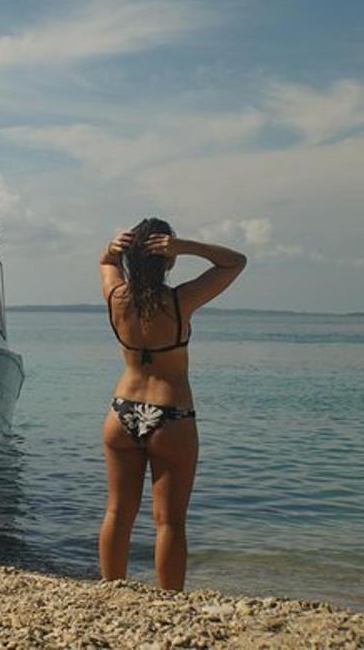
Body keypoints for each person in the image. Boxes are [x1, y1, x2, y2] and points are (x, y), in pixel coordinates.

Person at [98, 217, 246, 590]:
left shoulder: (117, 298)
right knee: (170, 521)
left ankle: (110, 591)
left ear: (130, 256)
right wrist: (188, 246)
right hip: (171, 415)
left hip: (122, 410)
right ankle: (170, 602)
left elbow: (105, 264)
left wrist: (112, 249)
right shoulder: (180, 301)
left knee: (118, 512)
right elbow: (235, 261)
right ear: (168, 258)